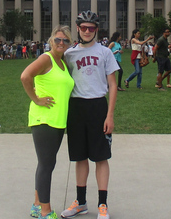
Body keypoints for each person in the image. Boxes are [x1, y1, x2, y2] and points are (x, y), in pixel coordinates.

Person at [61, 11, 119, 219]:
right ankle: (81, 202)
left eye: (91, 28)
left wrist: (109, 115)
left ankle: (102, 204)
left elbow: (112, 85)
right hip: (76, 108)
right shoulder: (69, 54)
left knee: (101, 157)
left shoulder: (105, 53)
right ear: (77, 28)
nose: (87, 31)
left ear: (96, 29)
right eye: (83, 27)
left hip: (98, 107)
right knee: (80, 157)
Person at [21, 26, 75, 219]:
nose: (62, 43)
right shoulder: (46, 58)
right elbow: (25, 76)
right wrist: (36, 99)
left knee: (47, 163)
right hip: (43, 120)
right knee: (46, 164)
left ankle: (37, 205)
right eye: (58, 39)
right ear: (51, 40)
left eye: (66, 40)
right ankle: (45, 211)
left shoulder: (62, 63)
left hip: (58, 121)